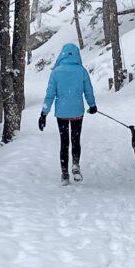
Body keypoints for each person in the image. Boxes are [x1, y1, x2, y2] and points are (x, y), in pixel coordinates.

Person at [38, 42, 97, 184]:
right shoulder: (81, 71)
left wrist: (44, 114)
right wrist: (92, 105)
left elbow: (50, 95)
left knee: (64, 142)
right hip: (77, 111)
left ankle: (64, 174)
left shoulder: (56, 72)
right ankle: (75, 165)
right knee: (75, 139)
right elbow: (88, 90)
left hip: (62, 113)